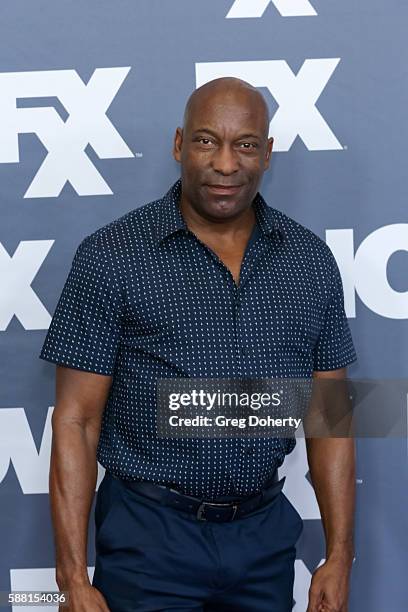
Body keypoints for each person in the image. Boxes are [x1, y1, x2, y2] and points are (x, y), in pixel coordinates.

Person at [39, 77, 357, 612]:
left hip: (263, 541)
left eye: (246, 144)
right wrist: (72, 577)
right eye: (208, 141)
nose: (227, 164)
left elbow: (331, 417)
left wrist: (340, 555)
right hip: (148, 540)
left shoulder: (309, 262)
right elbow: (75, 420)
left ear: (268, 153)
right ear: (179, 144)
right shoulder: (112, 255)